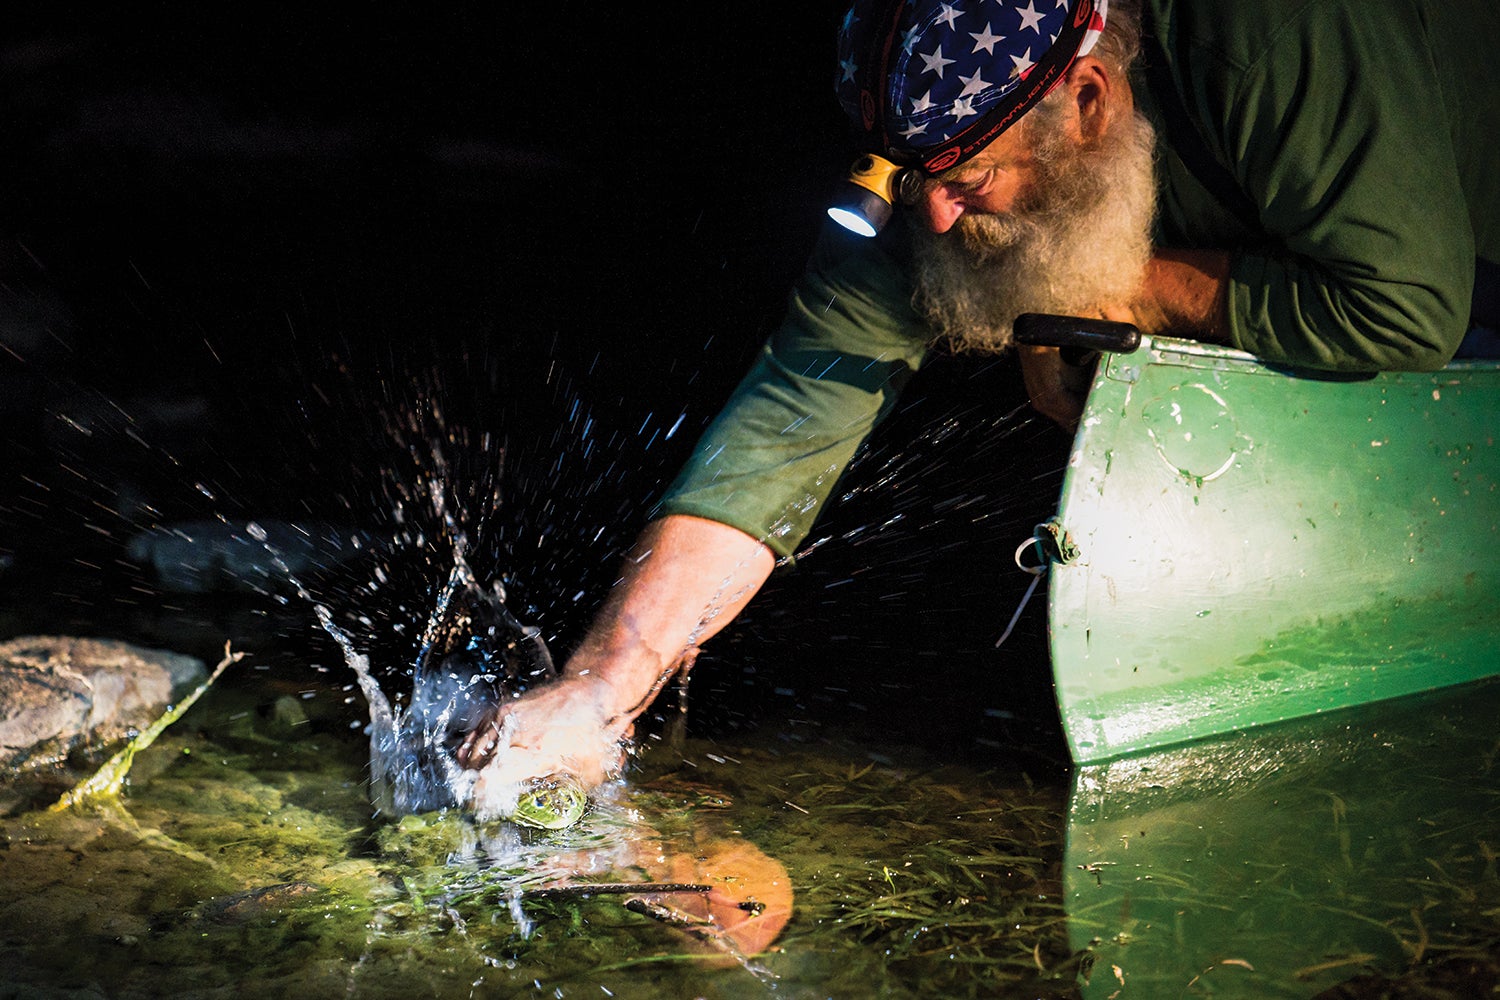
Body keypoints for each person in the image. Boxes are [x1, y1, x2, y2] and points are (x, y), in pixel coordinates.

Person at [457, 0, 1500, 803]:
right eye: (912, 182)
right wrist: (601, 686)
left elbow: (1406, 306)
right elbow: (797, 406)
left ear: (1089, 98)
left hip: (1453, 241)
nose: (940, 220)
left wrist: (1112, 292)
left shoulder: (1276, 38)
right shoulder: (939, 153)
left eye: (969, 179)